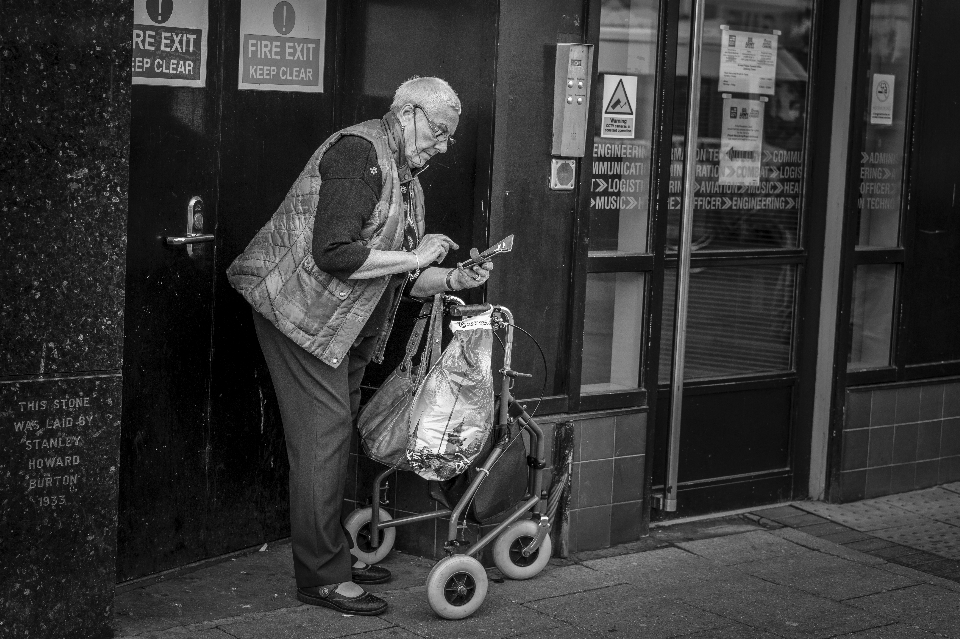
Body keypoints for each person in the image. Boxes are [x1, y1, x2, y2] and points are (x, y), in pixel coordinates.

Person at [226, 77, 493, 616]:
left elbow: (399, 277)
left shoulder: (406, 178)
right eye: (440, 132)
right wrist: (418, 257)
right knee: (323, 441)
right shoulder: (360, 153)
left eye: (449, 139)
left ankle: (333, 554)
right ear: (411, 113)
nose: (443, 146)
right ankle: (322, 576)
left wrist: (449, 279)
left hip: (341, 330)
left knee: (331, 438)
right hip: (300, 317)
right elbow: (335, 253)